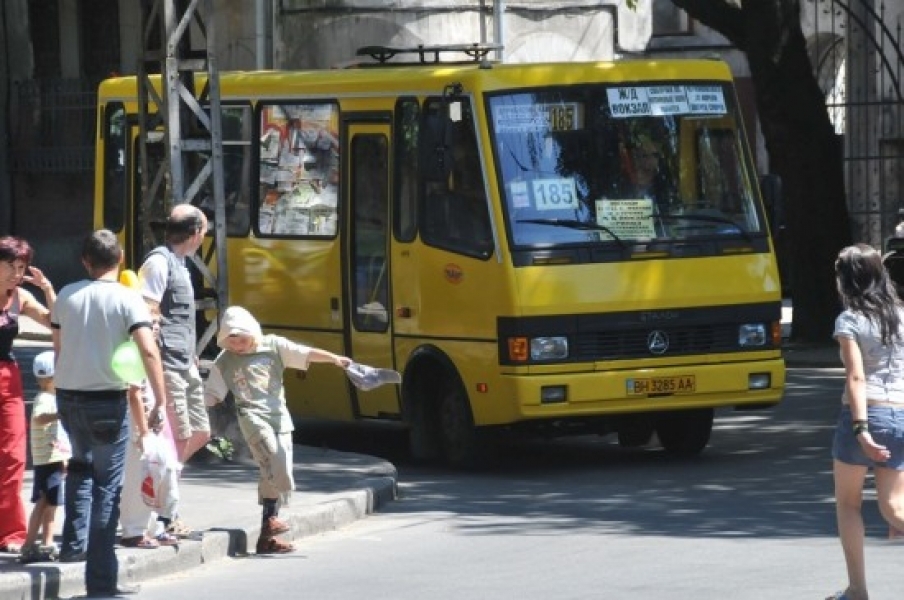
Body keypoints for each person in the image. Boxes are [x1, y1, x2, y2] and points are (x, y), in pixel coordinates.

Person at [52, 229, 168, 597]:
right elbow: (149, 352)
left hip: (69, 398)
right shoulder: (128, 299)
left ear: (85, 261)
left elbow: (59, 349)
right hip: (107, 401)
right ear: (119, 261)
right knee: (107, 487)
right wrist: (161, 401)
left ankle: (73, 545)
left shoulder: (66, 296)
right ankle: (101, 580)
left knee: (81, 471)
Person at [203, 305, 351, 554]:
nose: (238, 346)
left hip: (280, 418)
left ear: (253, 332)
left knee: (272, 470)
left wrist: (334, 359)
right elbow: (212, 395)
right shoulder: (224, 361)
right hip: (251, 417)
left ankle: (266, 535)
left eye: (242, 339)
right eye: (232, 341)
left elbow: (304, 353)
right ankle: (271, 523)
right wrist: (190, 408)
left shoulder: (274, 346)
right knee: (273, 456)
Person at [827, 243, 904, 600]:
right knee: (892, 507)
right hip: (900, 413)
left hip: (866, 412)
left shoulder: (850, 320)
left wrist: (861, 429)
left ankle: (857, 590)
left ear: (848, 280)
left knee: (848, 503)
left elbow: (856, 377)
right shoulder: (902, 315)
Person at [138, 203, 209, 538]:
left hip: (186, 361)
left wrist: (192, 353)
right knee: (177, 437)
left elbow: (180, 317)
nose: (205, 236)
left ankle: (162, 486)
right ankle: (166, 513)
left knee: (200, 433)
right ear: (195, 234)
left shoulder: (182, 262)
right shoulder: (158, 261)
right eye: (204, 231)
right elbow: (149, 312)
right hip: (167, 363)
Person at [0, 235, 55, 553]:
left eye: (21, 268)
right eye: (11, 266)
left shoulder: (19, 296)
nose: (16, 274)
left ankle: (11, 533)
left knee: (14, 458)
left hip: (9, 379)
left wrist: (47, 289)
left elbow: (57, 322)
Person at [119, 318, 181, 549]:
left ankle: (156, 525)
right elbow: (133, 394)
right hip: (137, 426)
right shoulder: (133, 353)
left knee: (164, 471)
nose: (154, 327)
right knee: (140, 476)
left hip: (151, 426)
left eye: (156, 322)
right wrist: (143, 431)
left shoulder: (150, 352)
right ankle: (133, 531)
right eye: (149, 322)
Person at [18, 350, 70, 564]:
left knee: (46, 502)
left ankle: (34, 544)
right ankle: (41, 544)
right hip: (49, 459)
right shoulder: (46, 399)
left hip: (51, 458)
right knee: (48, 503)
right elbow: (39, 418)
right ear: (51, 377)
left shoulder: (48, 397)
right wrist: (60, 414)